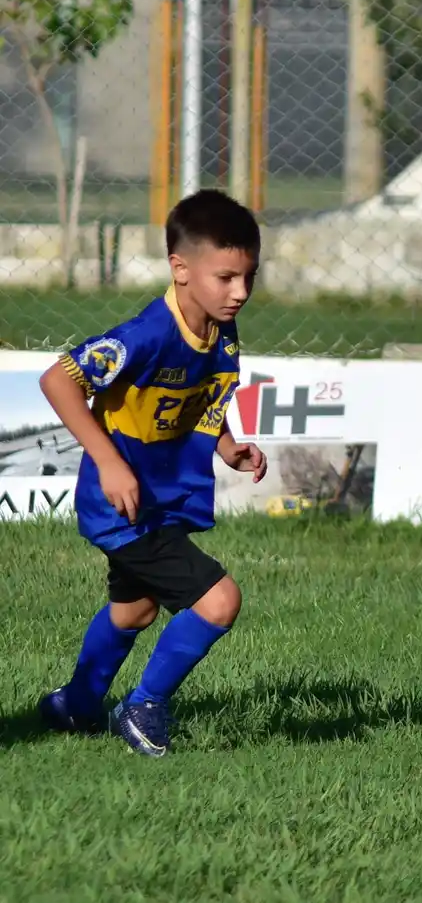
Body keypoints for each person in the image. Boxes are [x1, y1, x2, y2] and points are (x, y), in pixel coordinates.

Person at [36, 189, 267, 758]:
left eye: (248, 277)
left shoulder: (220, 329)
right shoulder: (145, 334)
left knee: (134, 609)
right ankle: (142, 708)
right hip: (122, 504)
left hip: (159, 499)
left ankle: (75, 704)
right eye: (226, 277)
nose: (240, 291)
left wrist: (228, 446)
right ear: (180, 268)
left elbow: (195, 397)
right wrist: (110, 462)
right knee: (219, 601)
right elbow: (58, 380)